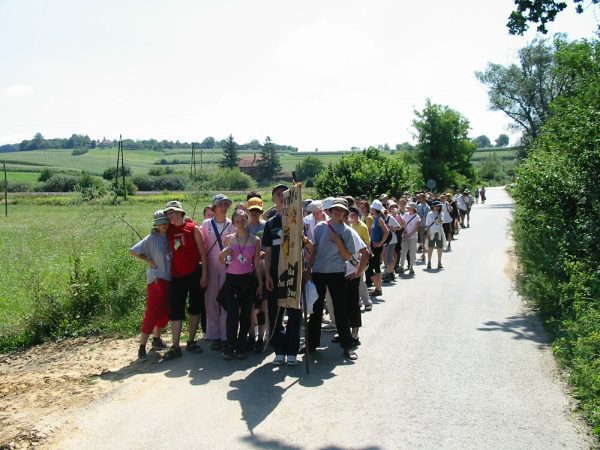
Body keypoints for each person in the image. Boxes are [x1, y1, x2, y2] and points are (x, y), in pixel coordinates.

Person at [307, 198, 358, 360]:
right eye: (335, 209)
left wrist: (338, 241)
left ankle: (347, 346)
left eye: (340, 210)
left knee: (340, 311)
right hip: (318, 273)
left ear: (344, 213)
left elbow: (348, 256)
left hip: (337, 274)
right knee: (316, 310)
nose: (337, 211)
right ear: (330, 210)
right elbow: (314, 250)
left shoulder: (347, 231)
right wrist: (308, 269)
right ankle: (311, 345)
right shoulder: (320, 227)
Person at [163, 200, 208, 359]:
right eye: (168, 213)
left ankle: (190, 341)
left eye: (172, 212)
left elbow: (203, 253)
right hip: (177, 275)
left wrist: (204, 274)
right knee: (176, 310)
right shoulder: (167, 230)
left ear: (180, 212)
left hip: (195, 273)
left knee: (195, 307)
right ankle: (175, 346)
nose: (170, 215)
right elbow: (157, 228)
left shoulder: (193, 228)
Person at [263, 184, 302, 365]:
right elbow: (268, 252)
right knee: (275, 313)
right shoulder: (270, 223)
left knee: (294, 312)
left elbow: (305, 247)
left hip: (293, 271)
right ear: (273, 199)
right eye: (278, 194)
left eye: (285, 193)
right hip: (275, 274)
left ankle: (292, 351)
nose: (281, 196)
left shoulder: (298, 219)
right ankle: (279, 349)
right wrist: (267, 275)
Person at [218, 210, 262, 360]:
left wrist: (260, 282)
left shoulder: (255, 240)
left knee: (246, 314)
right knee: (232, 314)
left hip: (248, 280)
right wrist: (222, 254)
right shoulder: (229, 239)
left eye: (243, 220)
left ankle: (241, 345)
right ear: (233, 223)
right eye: (237, 221)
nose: (240, 224)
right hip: (231, 279)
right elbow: (223, 261)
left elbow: (256, 263)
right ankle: (230, 345)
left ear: (247, 221)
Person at [130, 210, 171, 360]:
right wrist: (149, 260)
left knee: (165, 311)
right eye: (160, 223)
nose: (163, 225)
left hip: (169, 279)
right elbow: (133, 251)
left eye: (165, 222)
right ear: (156, 225)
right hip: (156, 279)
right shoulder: (152, 238)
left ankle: (156, 339)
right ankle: (142, 347)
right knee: (152, 311)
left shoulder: (170, 236)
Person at [201, 194, 235, 350]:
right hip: (211, 267)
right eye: (220, 204)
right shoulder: (206, 224)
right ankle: (213, 334)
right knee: (211, 300)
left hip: (228, 267)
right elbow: (201, 245)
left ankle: (226, 335)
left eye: (226, 204)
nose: (224, 207)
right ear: (214, 207)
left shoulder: (232, 224)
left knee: (227, 300)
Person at [247, 196, 268, 353]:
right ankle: (251, 336)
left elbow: (270, 247)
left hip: (264, 270)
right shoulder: (244, 227)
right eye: (252, 210)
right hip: (248, 272)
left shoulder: (266, 226)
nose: (254, 213)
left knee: (263, 306)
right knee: (250, 306)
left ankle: (261, 337)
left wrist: (265, 253)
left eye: (257, 210)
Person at [348, 206, 372, 311]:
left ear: (357, 215)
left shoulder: (362, 226)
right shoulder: (350, 226)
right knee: (355, 282)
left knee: (360, 281)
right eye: (349, 215)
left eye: (352, 215)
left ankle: (367, 302)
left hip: (360, 258)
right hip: (350, 259)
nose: (350, 217)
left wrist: (359, 247)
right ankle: (357, 302)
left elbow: (367, 243)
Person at [364, 199, 389, 297]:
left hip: (376, 247)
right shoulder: (375, 218)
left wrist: (380, 243)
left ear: (374, 209)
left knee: (369, 268)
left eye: (371, 207)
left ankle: (378, 288)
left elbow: (386, 232)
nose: (370, 209)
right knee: (377, 267)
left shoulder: (379, 220)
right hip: (374, 246)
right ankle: (378, 288)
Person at [399, 202, 421, 276]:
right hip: (405, 236)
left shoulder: (417, 217)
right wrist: (405, 232)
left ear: (413, 208)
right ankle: (401, 266)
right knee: (403, 251)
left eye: (409, 207)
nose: (407, 208)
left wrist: (409, 234)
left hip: (413, 237)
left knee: (412, 252)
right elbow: (403, 224)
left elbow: (416, 228)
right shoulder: (405, 214)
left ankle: (411, 267)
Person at [425, 200, 445, 269]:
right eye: (436, 206)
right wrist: (427, 234)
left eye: (439, 206)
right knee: (430, 248)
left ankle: (439, 262)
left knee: (440, 248)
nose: (438, 207)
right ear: (433, 206)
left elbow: (440, 221)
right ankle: (429, 262)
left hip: (439, 232)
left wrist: (438, 214)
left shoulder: (441, 214)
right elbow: (427, 224)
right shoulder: (429, 214)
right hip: (431, 232)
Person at [416, 193, 431, 260]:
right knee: (420, 240)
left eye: (420, 197)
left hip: (424, 225)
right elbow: (416, 214)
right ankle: (423, 251)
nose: (419, 199)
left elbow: (425, 216)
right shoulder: (418, 206)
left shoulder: (427, 207)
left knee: (424, 240)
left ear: (424, 198)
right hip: (418, 225)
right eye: (418, 197)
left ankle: (424, 254)